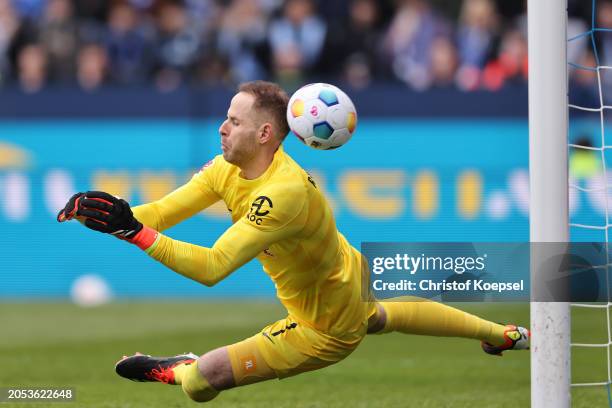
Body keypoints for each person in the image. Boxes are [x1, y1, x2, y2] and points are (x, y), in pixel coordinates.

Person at [57, 80, 529, 403]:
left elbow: (212, 268)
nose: (222, 128)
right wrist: (119, 214)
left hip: (321, 327)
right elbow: (160, 214)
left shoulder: (281, 195)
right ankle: (502, 334)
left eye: (234, 122)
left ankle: (180, 366)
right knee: (382, 314)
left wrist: (132, 233)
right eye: (225, 117)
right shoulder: (227, 168)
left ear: (265, 133)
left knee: (201, 382)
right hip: (345, 275)